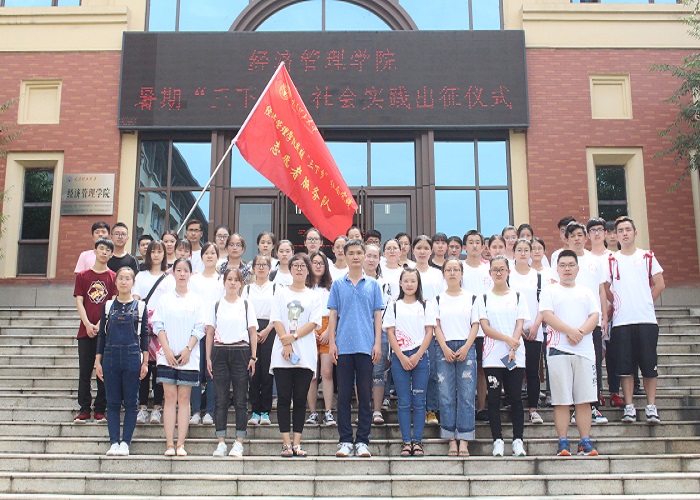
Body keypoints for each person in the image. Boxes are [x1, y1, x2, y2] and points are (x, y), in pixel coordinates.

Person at [540, 250, 600, 456]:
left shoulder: (586, 292)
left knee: (584, 400)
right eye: (563, 265)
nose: (567, 269)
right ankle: (563, 442)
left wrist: (579, 332)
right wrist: (570, 331)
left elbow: (594, 316)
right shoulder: (550, 291)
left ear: (577, 268)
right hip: (559, 350)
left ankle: (585, 442)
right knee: (562, 400)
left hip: (585, 352)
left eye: (571, 265)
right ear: (556, 269)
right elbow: (547, 316)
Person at [605, 216, 665, 423]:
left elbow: (659, 283)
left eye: (627, 230)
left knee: (649, 366)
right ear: (615, 235)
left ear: (635, 233)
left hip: (646, 320)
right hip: (622, 322)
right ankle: (629, 406)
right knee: (625, 367)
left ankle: (651, 406)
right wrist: (618, 303)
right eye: (620, 230)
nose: (624, 233)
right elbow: (605, 287)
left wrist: (645, 300)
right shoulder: (611, 260)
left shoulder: (647, 256)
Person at [328, 239, 383, 458]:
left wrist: (377, 343)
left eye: (359, 252)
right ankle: (344, 440)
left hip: (365, 346)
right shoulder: (337, 284)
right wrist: (332, 342)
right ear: (345, 255)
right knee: (343, 396)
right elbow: (333, 314)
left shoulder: (373, 285)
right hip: (343, 347)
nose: (355, 257)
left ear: (364, 255)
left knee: (365, 395)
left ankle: (362, 440)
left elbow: (377, 315)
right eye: (351, 253)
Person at [152, 258, 207, 456]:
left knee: (184, 399)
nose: (182, 274)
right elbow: (157, 325)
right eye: (179, 270)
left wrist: (188, 349)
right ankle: (169, 444)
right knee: (169, 398)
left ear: (191, 274)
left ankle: (180, 444)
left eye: (186, 270)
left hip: (188, 357)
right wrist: (166, 349)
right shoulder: (164, 299)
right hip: (166, 355)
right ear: (173, 273)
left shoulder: (197, 300)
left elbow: (200, 327)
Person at [270, 253, 322, 457]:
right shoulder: (281, 292)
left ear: (308, 270)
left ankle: (297, 443)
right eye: (295, 266)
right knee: (284, 398)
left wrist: (292, 338)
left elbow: (314, 322)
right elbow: (276, 319)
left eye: (303, 266)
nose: (299, 269)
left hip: (305, 353)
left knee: (300, 399)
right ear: (290, 269)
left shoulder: (314, 296)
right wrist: (286, 342)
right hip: (282, 352)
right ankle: (285, 443)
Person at [95, 267, 149, 456]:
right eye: (121, 278)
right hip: (110, 356)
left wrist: (145, 362)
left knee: (132, 403)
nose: (124, 282)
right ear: (115, 282)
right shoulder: (107, 306)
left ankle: (125, 442)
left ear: (133, 282)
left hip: (132, 356)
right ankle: (113, 442)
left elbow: (145, 336)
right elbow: (101, 336)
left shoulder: (140, 306)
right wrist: (98, 361)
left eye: (128, 278)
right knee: (112, 402)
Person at [479, 256, 529, 457]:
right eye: (495, 270)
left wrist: (513, 344)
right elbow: (485, 327)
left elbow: (519, 323)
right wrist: (507, 339)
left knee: (515, 397)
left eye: (502, 269)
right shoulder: (483, 298)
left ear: (508, 271)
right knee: (493, 399)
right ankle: (497, 440)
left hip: (514, 356)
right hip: (492, 356)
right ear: (490, 273)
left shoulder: (518, 296)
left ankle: (518, 440)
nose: (498, 273)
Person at [383, 268, 436, 457]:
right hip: (400, 357)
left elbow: (429, 332)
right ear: (400, 283)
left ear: (418, 283)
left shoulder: (426, 305)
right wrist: (401, 356)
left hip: (420, 356)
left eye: (413, 281)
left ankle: (418, 442)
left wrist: (417, 355)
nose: (409, 284)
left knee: (419, 402)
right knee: (404, 402)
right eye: (406, 281)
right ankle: (406, 442)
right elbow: (390, 332)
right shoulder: (394, 305)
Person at [560, 222, 609, 424]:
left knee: (593, 364)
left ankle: (593, 407)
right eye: (573, 235)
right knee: (570, 366)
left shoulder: (594, 261)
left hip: (591, 322)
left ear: (586, 237)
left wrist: (604, 316)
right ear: (567, 239)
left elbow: (601, 290)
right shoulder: (561, 259)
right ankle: (574, 408)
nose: (577, 239)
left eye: (580, 235)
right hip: (568, 323)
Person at [207, 268, 258, 457]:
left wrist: (253, 356)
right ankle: (221, 442)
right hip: (219, 352)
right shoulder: (216, 304)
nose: (233, 283)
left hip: (241, 351)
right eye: (229, 279)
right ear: (224, 282)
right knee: (220, 399)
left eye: (236, 280)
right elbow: (210, 333)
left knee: (240, 399)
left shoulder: (246, 304)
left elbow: (252, 332)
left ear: (241, 283)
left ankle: (239, 441)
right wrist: (208, 358)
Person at [434, 258, 479, 457]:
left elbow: (475, 324)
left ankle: (465, 439)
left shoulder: (472, 298)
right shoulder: (437, 299)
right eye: (448, 270)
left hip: (466, 346)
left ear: (462, 273)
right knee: (446, 394)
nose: (452, 273)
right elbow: (435, 325)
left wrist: (467, 347)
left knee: (467, 395)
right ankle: (451, 438)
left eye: (456, 270)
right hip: (443, 347)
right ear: (443, 274)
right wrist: (444, 347)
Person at [73, 238, 117, 423]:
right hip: (85, 332)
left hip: (105, 332)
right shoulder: (83, 276)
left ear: (111, 254)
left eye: (108, 250)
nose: (104, 252)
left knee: (104, 372)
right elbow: (79, 300)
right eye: (101, 248)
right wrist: (87, 324)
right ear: (95, 251)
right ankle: (84, 409)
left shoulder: (113, 277)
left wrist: (99, 324)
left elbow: (112, 302)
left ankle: (100, 409)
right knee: (85, 372)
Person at [132, 239, 175, 425]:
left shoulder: (169, 278)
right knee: (143, 368)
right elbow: (135, 299)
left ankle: (157, 407)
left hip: (161, 327)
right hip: (143, 326)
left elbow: (171, 302)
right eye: (153, 251)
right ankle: (142, 407)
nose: (156, 255)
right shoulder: (141, 276)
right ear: (148, 254)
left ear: (164, 254)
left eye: (160, 252)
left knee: (159, 369)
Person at [509, 239, 546, 425]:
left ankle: (533, 409)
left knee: (532, 371)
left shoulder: (538, 277)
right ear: (514, 253)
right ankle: (513, 405)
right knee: (512, 370)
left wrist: (536, 325)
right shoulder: (508, 276)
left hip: (533, 331)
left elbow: (544, 305)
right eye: (519, 250)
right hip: (512, 332)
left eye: (526, 250)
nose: (523, 253)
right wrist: (517, 329)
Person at [188, 242, 224, 426]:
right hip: (197, 331)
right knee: (196, 371)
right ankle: (195, 411)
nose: (209, 256)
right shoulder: (194, 280)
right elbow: (190, 303)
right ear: (201, 257)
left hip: (216, 332)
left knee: (212, 373)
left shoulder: (222, 280)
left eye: (213, 253)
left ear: (218, 257)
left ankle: (209, 412)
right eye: (206, 253)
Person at [413, 235, 446, 426]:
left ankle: (431, 409)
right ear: (413, 250)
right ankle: (415, 408)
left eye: (426, 248)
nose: (422, 251)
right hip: (411, 330)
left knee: (432, 372)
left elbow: (443, 300)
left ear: (431, 251)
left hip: (432, 329)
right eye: (419, 248)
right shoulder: (408, 271)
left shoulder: (437, 275)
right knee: (412, 372)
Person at [461, 230, 493, 422]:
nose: (474, 245)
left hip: (485, 328)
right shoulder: (459, 268)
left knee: (482, 368)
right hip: (463, 328)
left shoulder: (489, 268)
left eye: (477, 242)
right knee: (464, 369)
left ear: (483, 247)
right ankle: (465, 408)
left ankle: (481, 407)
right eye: (470, 242)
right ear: (464, 247)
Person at [244, 254, 277, 427]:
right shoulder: (247, 289)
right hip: (251, 330)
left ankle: (265, 411)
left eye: (265, 265)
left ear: (269, 268)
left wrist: (267, 330)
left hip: (270, 330)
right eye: (258, 265)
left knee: (267, 372)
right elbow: (242, 310)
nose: (261, 268)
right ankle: (255, 410)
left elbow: (278, 312)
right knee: (253, 372)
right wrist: (254, 332)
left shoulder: (275, 288)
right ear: (253, 268)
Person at [305, 251, 336, 427]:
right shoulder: (304, 287)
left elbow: (335, 312)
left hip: (327, 328)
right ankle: (312, 412)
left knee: (326, 372)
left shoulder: (332, 287)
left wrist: (328, 331)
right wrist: (311, 331)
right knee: (311, 374)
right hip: (308, 329)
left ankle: (329, 411)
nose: (317, 266)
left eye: (321, 263)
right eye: (314, 263)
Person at [364, 243, 391, 425]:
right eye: (369, 255)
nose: (371, 259)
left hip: (380, 332)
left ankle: (376, 410)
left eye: (375, 256)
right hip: (360, 332)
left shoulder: (385, 284)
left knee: (378, 372)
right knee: (361, 373)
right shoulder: (353, 280)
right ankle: (364, 409)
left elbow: (386, 311)